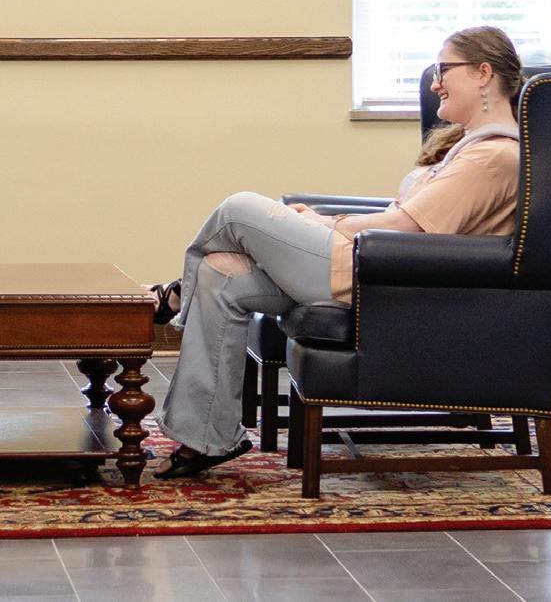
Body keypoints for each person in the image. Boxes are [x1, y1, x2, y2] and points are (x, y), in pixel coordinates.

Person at [150, 25, 523, 478]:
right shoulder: (468, 149)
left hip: (381, 280)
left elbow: (406, 226)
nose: (434, 83)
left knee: (239, 209)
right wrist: (322, 222)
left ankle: (173, 298)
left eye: (444, 69)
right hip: (370, 266)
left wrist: (325, 223)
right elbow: (407, 216)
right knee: (219, 272)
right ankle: (207, 438)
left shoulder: (493, 157)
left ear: (483, 73)